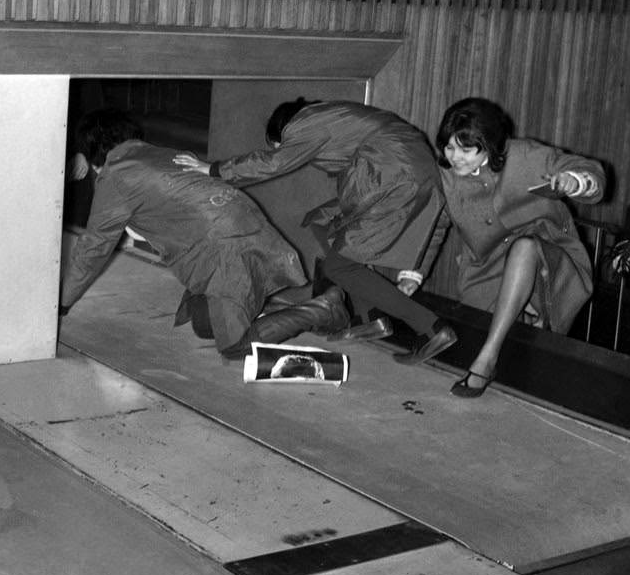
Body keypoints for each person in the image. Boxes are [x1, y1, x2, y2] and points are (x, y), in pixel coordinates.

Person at [174, 97, 456, 363]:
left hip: (392, 178)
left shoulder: (304, 123)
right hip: (401, 173)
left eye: (279, 144)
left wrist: (213, 170)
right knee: (321, 220)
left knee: (339, 266)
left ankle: (430, 327)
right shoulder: (331, 116)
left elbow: (274, 162)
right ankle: (367, 317)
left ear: (282, 133)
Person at [59, 108, 350, 359]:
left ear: (93, 150)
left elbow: (94, 247)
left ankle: (322, 309)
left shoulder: (116, 176)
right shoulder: (163, 153)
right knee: (202, 322)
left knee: (235, 346)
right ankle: (297, 299)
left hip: (222, 249)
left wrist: (61, 302)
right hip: (248, 224)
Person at [434, 98, 605, 397]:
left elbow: (590, 172)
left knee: (525, 247)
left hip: (552, 261)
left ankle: (486, 360)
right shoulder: (446, 176)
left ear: (488, 145)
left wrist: (574, 181)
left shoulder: (525, 156)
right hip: (487, 274)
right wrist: (411, 273)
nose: (455, 157)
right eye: (449, 147)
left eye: (465, 149)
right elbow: (433, 225)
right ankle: (518, 327)